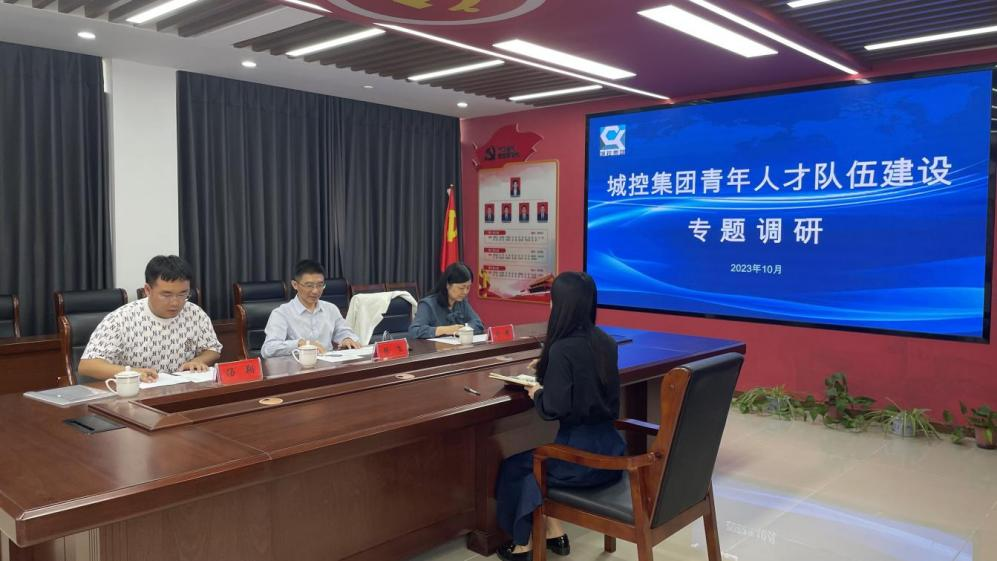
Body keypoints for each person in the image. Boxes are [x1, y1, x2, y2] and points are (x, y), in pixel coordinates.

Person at [494, 272, 624, 560]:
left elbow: (553, 408)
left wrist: (537, 392)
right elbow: (586, 381)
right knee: (532, 464)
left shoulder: (562, 348)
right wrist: (548, 366)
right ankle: (554, 532)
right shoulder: (606, 341)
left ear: (562, 305)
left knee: (516, 467)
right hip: (612, 451)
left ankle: (521, 544)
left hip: (579, 461)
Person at [79, 255, 222, 383]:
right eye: (166, 295)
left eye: (182, 294)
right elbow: (87, 365)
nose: (175, 302)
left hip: (182, 390)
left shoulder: (194, 313)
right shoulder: (120, 320)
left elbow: (212, 349)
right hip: (136, 394)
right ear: (148, 290)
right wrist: (133, 372)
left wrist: (198, 360)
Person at [261, 259, 360, 357]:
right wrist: (301, 344)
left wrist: (347, 339)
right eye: (309, 286)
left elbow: (343, 331)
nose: (315, 291)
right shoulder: (281, 313)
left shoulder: (331, 309)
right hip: (297, 364)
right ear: (295, 285)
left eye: (320, 285)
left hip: (328, 363)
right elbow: (268, 349)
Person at [409, 262, 485, 338]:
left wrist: (463, 328)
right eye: (461, 288)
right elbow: (414, 331)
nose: (465, 292)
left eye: (468, 287)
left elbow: (478, 324)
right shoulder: (428, 304)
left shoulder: (462, 303)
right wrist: (445, 330)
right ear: (448, 285)